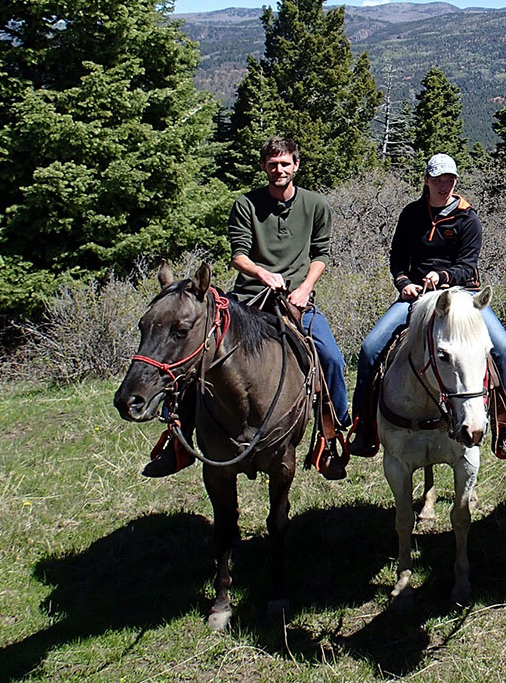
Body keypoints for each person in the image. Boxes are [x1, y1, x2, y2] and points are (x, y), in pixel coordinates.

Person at [144, 136, 352, 479]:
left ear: (296, 165)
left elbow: (320, 254)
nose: (279, 169)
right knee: (201, 356)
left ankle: (332, 435)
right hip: (249, 299)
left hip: (295, 300)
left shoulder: (316, 205)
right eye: (272, 164)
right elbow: (238, 255)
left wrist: (304, 289)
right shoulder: (246, 205)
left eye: (285, 163)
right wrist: (263, 273)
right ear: (264, 167)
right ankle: (176, 442)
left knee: (330, 357)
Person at [350, 154, 506, 459]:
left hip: (464, 295)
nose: (444, 185)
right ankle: (364, 425)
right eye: (438, 179)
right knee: (370, 348)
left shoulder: (467, 218)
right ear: (427, 181)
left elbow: (467, 265)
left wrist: (441, 276)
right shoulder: (411, 214)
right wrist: (404, 282)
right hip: (417, 297)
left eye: (450, 180)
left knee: (504, 350)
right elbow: (397, 258)